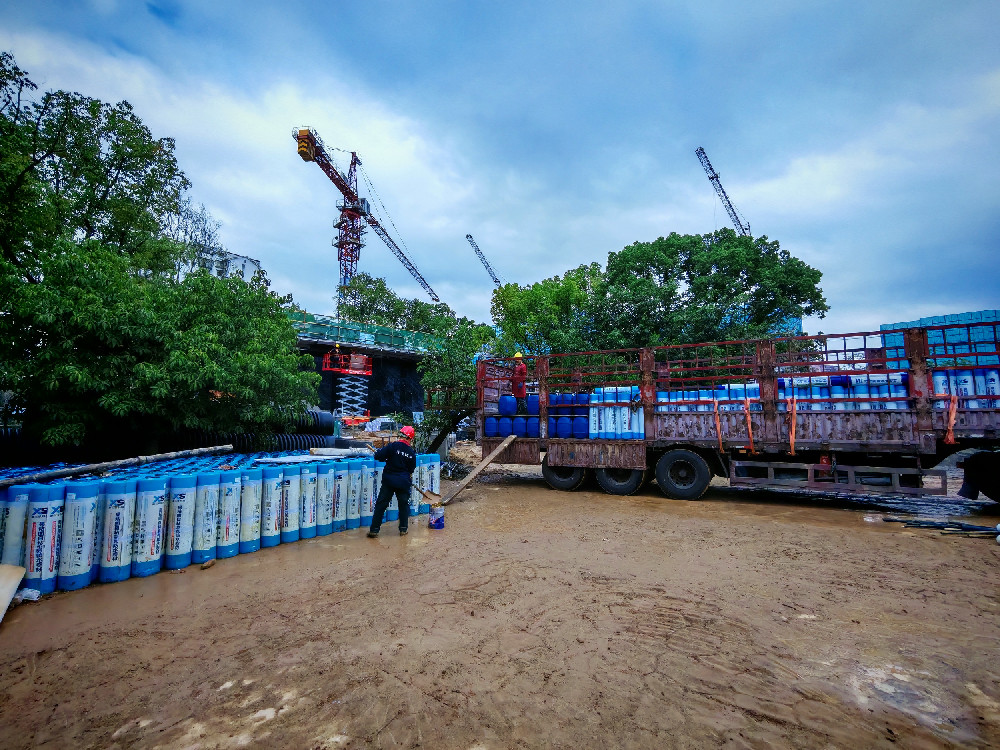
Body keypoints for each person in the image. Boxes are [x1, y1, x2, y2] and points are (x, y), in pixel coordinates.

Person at [368, 425, 417, 537]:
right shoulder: (411, 452)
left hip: (389, 481)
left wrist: (382, 456)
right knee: (403, 505)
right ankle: (403, 529)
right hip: (403, 482)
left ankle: (374, 530)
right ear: (410, 438)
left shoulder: (392, 446)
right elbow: (411, 469)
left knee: (381, 505)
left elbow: (378, 456)